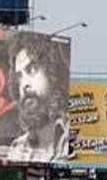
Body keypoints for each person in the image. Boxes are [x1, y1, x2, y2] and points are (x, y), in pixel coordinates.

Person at [5, 34, 70, 163]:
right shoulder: (18, 149)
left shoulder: (74, 136)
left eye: (32, 70)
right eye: (19, 77)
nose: (24, 84)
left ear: (52, 73)